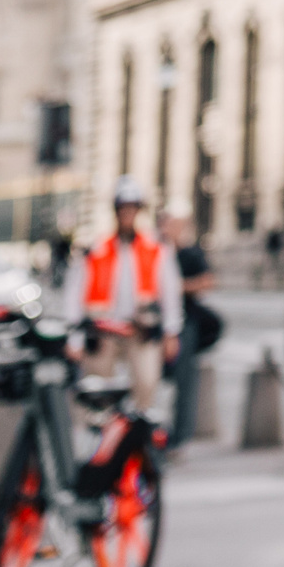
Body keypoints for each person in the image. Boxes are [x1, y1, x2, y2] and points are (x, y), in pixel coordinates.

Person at [65, 178, 180, 418]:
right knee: (96, 389)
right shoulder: (96, 248)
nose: (127, 213)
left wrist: (171, 332)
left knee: (147, 383)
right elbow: (74, 294)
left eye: (132, 208)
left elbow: (170, 292)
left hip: (140, 329)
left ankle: (138, 438)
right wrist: (74, 339)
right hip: (103, 330)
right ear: (116, 211)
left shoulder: (155, 247)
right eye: (122, 208)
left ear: (138, 210)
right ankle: (99, 441)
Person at [159, 211, 219, 458]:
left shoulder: (190, 253)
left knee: (185, 383)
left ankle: (179, 439)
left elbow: (207, 281)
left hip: (185, 323)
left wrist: (175, 287)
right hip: (156, 325)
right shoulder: (154, 252)